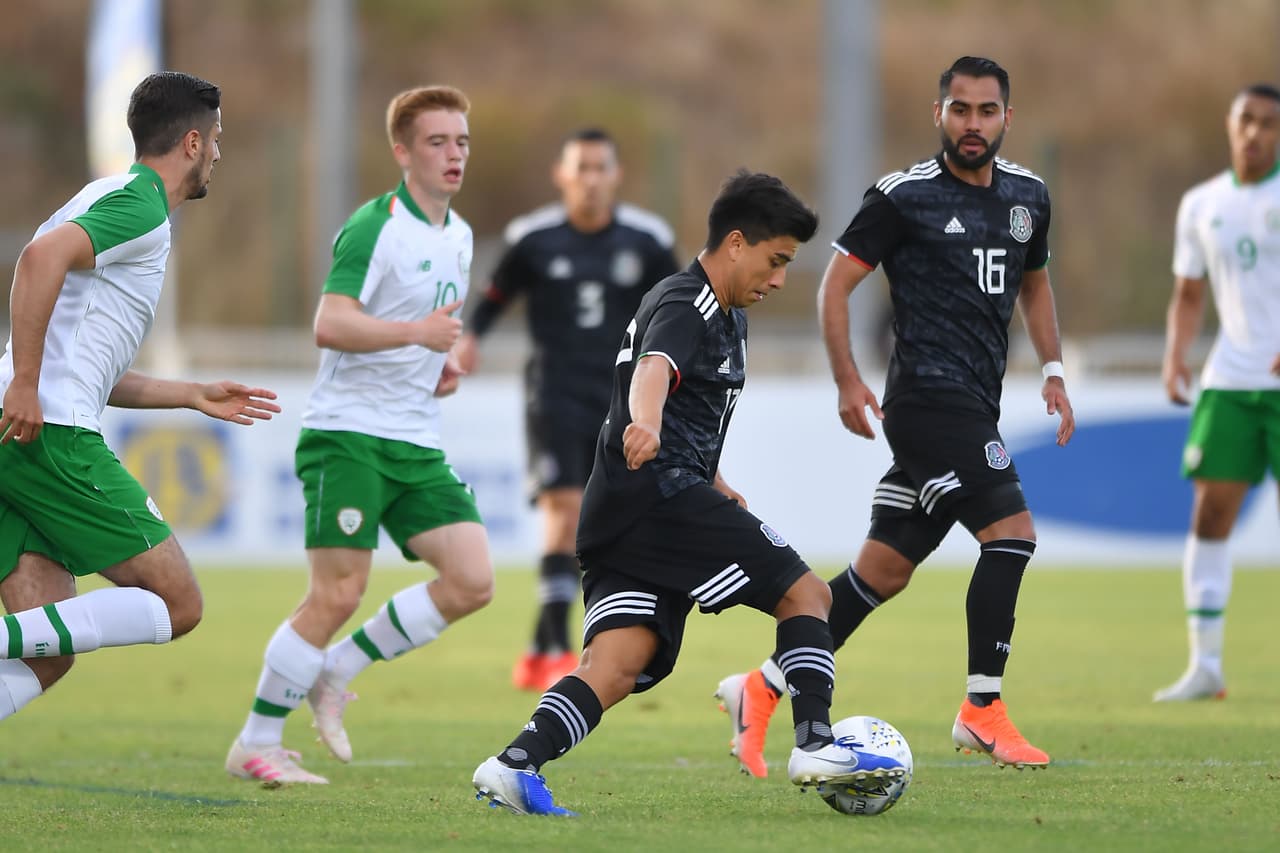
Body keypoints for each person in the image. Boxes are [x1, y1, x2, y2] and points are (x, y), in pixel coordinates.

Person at [471, 170, 907, 817]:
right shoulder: (688, 302)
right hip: (658, 495)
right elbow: (655, 369)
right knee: (809, 594)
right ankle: (815, 740)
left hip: (625, 507)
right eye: (776, 259)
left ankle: (512, 764)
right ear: (736, 242)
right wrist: (645, 420)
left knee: (621, 664)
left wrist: (716, 477)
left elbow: (697, 409)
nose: (780, 277)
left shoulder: (729, 316)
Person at [715, 56, 1075, 777]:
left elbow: (1035, 285)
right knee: (1011, 535)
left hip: (976, 403)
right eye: (960, 110)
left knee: (882, 571)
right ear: (937, 112)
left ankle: (759, 687)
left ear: (1008, 118)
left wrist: (1056, 369)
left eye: (987, 111)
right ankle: (982, 708)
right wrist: (848, 381)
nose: (973, 124)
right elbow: (835, 287)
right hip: (924, 405)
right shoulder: (901, 196)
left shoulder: (1029, 196)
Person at [225, 85, 494, 786]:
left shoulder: (459, 235)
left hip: (414, 438)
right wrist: (416, 334)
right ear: (402, 151)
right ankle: (256, 740)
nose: (454, 153)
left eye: (461, 140)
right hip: (346, 434)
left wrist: (438, 366)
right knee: (337, 592)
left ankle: (337, 669)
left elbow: (427, 331)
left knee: (471, 578)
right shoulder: (375, 226)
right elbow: (331, 322)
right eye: (437, 141)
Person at [0, 72, 280, 721]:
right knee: (179, 603)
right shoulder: (142, 205)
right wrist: (25, 383)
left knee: (47, 646)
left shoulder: (107, 197)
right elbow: (38, 262)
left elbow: (86, 366)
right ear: (190, 142)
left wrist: (189, 393)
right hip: (51, 435)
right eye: (216, 140)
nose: (219, 153)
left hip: (24, 426)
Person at [455, 128, 679, 692]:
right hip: (553, 394)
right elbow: (493, 297)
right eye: (581, 168)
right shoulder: (534, 239)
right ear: (563, 175)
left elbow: (682, 307)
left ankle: (542, 644)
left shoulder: (648, 240)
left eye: (601, 168)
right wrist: (469, 339)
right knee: (563, 509)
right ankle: (556, 647)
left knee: (613, 519)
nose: (591, 179)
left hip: (627, 398)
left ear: (616, 175)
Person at [1154, 83, 1280, 703]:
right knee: (1209, 515)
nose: (1255, 134)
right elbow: (1188, 292)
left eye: (1268, 124)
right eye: (1246, 121)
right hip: (1229, 383)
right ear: (1230, 126)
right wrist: (1176, 354)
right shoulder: (1201, 203)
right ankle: (1205, 666)